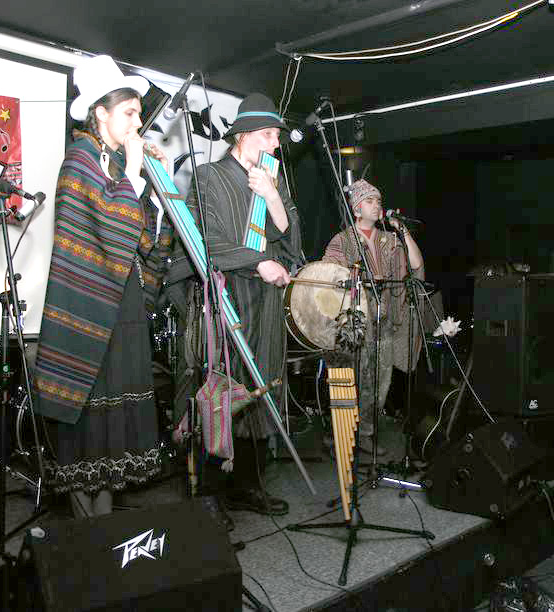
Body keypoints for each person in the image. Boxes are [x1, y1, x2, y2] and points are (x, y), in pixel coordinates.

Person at [33, 55, 172, 517]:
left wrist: (157, 181)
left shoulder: (112, 163)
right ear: (100, 112)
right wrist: (133, 171)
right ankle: (85, 533)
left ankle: (104, 529)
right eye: (129, 112)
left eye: (138, 113)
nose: (137, 123)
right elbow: (111, 224)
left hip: (123, 306)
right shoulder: (80, 160)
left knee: (114, 432)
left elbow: (142, 236)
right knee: (89, 423)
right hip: (90, 310)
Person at [165, 93, 301, 516]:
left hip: (265, 303)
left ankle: (249, 485)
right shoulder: (209, 176)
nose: (276, 144)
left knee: (262, 387)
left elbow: (291, 240)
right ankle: (211, 496)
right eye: (269, 135)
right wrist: (258, 260)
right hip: (226, 300)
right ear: (243, 136)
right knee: (222, 390)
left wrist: (273, 197)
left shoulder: (274, 179)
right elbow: (203, 238)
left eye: (277, 136)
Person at [322, 179, 424, 456]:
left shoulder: (389, 240)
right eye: (370, 201)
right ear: (356, 209)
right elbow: (329, 276)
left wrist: (402, 230)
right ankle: (340, 435)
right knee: (354, 381)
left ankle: (367, 433)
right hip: (354, 326)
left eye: (379, 201)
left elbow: (416, 264)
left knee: (381, 382)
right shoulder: (342, 240)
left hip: (383, 322)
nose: (377, 205)